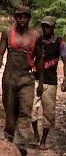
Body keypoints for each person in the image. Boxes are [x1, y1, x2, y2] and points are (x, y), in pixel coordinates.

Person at [0, 5, 43, 142]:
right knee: (10, 118)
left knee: (25, 114)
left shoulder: (36, 36)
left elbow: (39, 60)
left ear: (29, 18)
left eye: (25, 16)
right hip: (9, 80)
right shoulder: (7, 33)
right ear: (15, 18)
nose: (22, 19)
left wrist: (41, 82)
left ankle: (21, 146)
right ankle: (9, 144)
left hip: (27, 80)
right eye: (19, 16)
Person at [31, 16, 66, 149]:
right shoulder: (39, 41)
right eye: (43, 26)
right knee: (32, 110)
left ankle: (43, 141)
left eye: (48, 26)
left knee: (48, 113)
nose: (45, 28)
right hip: (36, 80)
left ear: (53, 27)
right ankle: (35, 134)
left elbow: (65, 60)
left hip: (51, 82)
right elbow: (34, 58)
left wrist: (65, 80)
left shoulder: (60, 43)